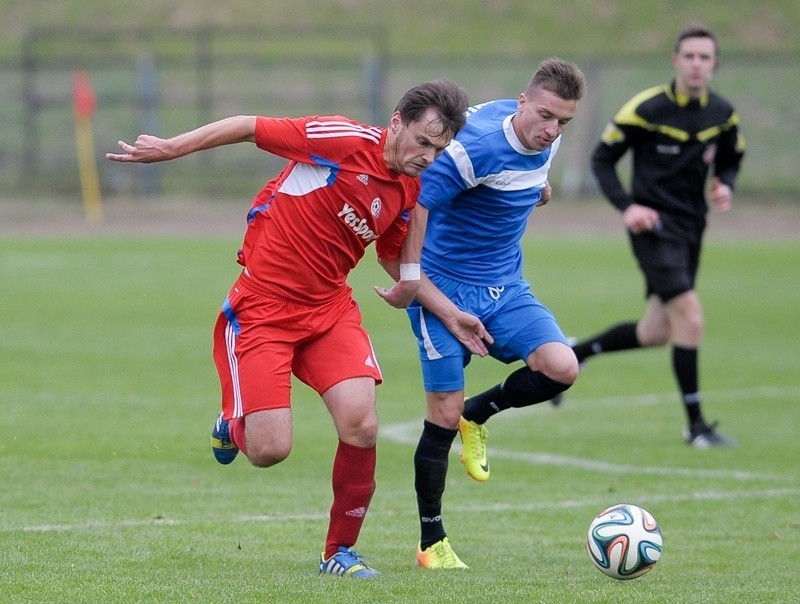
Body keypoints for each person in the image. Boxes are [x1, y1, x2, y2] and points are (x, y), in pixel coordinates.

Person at [106, 79, 469, 578]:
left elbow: (395, 258)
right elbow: (246, 127)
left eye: (439, 148)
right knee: (270, 451)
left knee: (362, 424)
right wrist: (172, 148)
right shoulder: (339, 139)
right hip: (263, 311)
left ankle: (338, 552)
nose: (428, 156)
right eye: (423, 142)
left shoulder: (411, 188)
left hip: (329, 311)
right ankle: (233, 426)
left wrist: (445, 310)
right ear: (397, 122)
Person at [405, 58, 586, 569]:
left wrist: (537, 190)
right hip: (444, 286)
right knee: (439, 414)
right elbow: (416, 204)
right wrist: (415, 283)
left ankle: (477, 415)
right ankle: (431, 542)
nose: (551, 130)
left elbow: (528, 177)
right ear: (522, 101)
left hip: (506, 285)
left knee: (561, 367)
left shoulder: (547, 138)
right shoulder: (472, 148)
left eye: (564, 122)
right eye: (545, 115)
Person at [558, 25, 745, 448]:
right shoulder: (646, 109)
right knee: (691, 318)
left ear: (715, 64)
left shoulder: (723, 113)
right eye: (690, 56)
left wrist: (725, 185)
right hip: (654, 229)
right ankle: (696, 427)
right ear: (675, 61)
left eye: (705, 57)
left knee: (656, 331)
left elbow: (733, 157)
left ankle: (578, 352)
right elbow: (602, 159)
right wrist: (629, 207)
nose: (697, 64)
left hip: (693, 228)